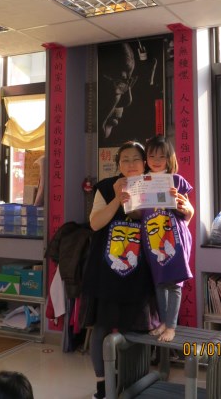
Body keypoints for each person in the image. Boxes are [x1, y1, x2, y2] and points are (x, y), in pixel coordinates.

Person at [80, 140, 158, 399]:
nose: (131, 164)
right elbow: (95, 224)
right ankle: (103, 385)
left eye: (136, 159)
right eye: (125, 159)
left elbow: (159, 222)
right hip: (107, 272)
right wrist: (116, 198)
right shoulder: (106, 187)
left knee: (136, 327)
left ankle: (131, 379)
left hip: (140, 273)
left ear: (144, 163)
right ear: (118, 164)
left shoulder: (153, 185)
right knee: (102, 328)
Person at [141, 135, 194, 342]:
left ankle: (171, 326)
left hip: (176, 237)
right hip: (153, 239)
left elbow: (187, 210)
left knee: (174, 283)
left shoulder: (176, 180)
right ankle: (164, 322)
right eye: (152, 156)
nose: (156, 160)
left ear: (169, 158)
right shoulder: (141, 182)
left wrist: (177, 202)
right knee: (159, 281)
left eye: (161, 156)